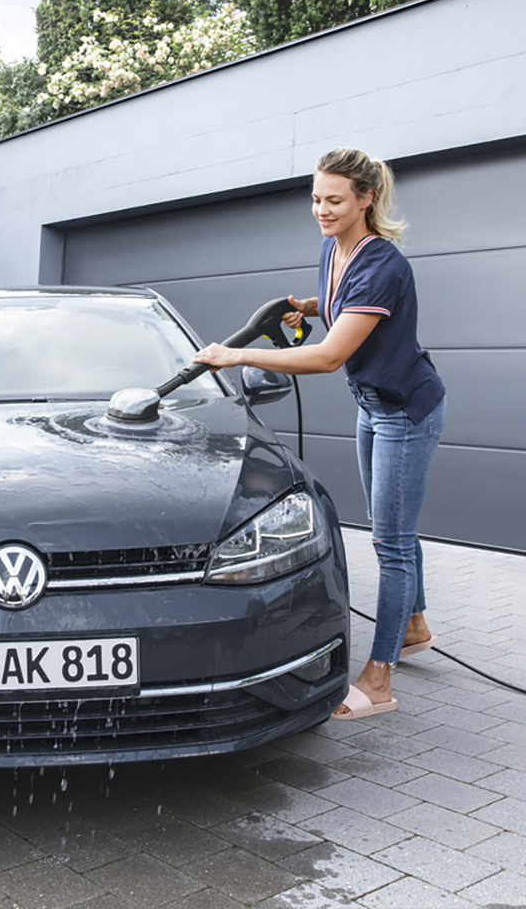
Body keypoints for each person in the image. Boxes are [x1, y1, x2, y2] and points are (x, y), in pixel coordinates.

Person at [194, 147, 446, 720]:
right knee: (393, 524)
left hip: (407, 411)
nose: (322, 210)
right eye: (315, 199)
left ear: (366, 199)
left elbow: (330, 356)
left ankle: (378, 679)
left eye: (334, 200)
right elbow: (342, 304)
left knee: (391, 543)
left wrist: (236, 355)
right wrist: (311, 305)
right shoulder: (336, 248)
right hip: (372, 406)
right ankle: (413, 626)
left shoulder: (383, 266)